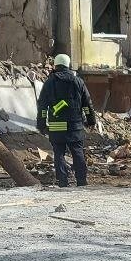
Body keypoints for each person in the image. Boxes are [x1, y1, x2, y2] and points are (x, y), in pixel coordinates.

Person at [36, 53, 96, 187]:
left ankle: (63, 182)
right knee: (78, 152)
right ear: (68, 65)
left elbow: (42, 106)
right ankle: (82, 181)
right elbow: (87, 104)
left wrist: (41, 124)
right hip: (75, 125)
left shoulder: (50, 82)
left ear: (56, 65)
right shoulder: (78, 81)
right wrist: (91, 121)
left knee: (59, 153)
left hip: (57, 127)